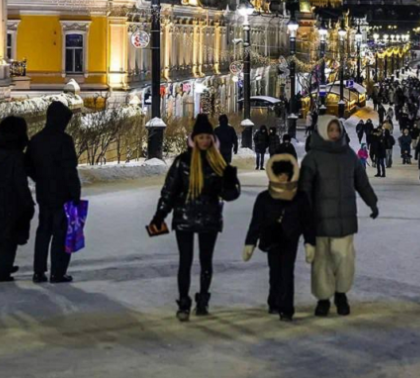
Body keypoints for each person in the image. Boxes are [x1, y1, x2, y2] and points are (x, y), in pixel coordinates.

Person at [152, 114, 241, 321]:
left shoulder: (219, 164)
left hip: (209, 218)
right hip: (184, 218)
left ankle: (203, 300)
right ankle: (184, 302)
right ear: (194, 139)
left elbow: (230, 196)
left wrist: (229, 183)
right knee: (185, 261)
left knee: (205, 262)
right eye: (200, 137)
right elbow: (169, 191)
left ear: (212, 139)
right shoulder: (183, 162)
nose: (204, 141)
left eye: (207, 137)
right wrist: (160, 214)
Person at [299, 119, 379, 317]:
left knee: (345, 260)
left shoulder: (349, 155)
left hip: (345, 220)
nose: (334, 133)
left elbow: (361, 181)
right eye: (330, 129)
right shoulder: (312, 158)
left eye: (337, 130)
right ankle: (323, 298)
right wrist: (304, 213)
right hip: (320, 221)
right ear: (322, 131)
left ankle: (341, 294)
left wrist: (372, 202)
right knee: (322, 262)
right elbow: (304, 189)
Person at [243, 153, 316, 322]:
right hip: (272, 237)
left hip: (290, 238)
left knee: (287, 272)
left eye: (286, 174)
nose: (283, 177)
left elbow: (307, 222)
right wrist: (250, 243)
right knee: (275, 271)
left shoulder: (300, 197)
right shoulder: (265, 198)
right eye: (280, 174)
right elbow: (256, 222)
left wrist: (309, 242)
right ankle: (274, 301)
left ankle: (286, 308)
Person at [27, 101, 81, 284]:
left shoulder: (36, 140)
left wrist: (40, 179)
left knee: (43, 232)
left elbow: (29, 167)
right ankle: (58, 272)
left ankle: (38, 271)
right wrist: (75, 194)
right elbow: (70, 170)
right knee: (62, 233)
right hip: (63, 195)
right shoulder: (65, 141)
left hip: (44, 193)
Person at [0, 116, 35, 282]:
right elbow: (20, 182)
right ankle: (2, 270)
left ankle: (2, 266)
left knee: (0, 234)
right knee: (11, 235)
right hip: (13, 199)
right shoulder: (17, 156)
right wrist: (28, 203)